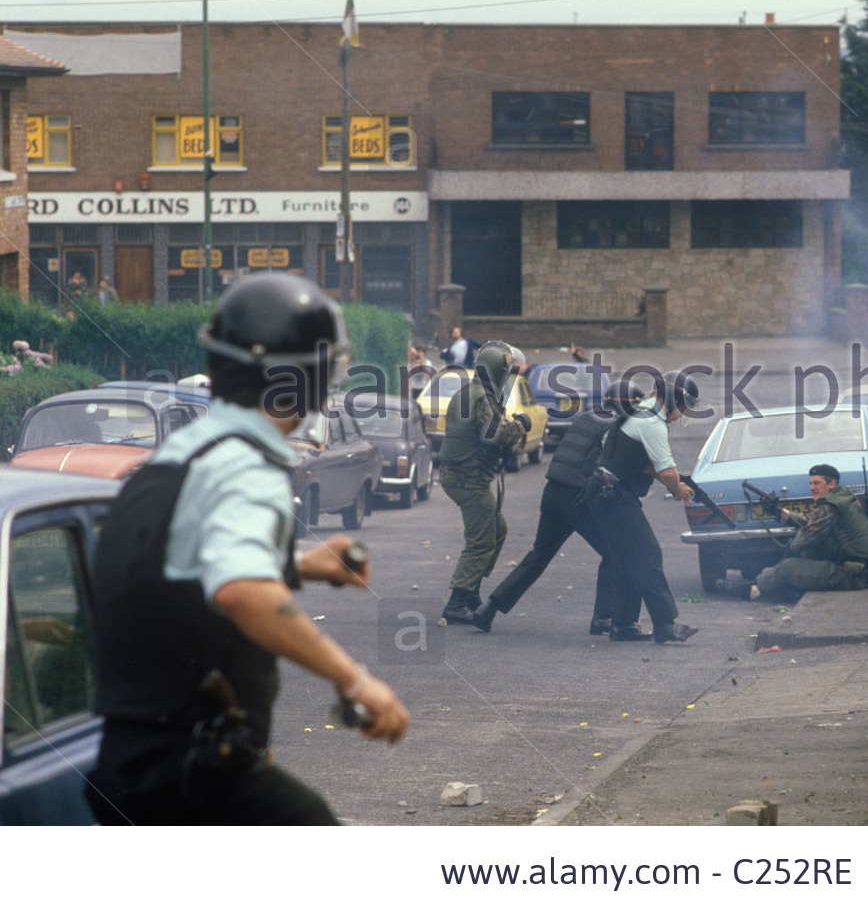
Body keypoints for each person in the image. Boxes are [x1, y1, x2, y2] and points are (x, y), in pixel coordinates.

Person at [85, 273, 409, 825]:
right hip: (191, 769)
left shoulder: (186, 453)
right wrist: (355, 680)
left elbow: (180, 569)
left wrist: (300, 566)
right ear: (309, 379)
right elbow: (241, 591)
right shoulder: (248, 470)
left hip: (126, 764)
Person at [471, 384, 642, 635]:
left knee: (538, 557)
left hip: (553, 492)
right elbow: (606, 468)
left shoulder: (586, 418)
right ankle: (602, 618)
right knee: (615, 552)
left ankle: (488, 609)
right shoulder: (614, 428)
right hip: (579, 499)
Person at [584, 371, 700, 643]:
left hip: (604, 493)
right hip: (614, 496)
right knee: (647, 554)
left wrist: (673, 481)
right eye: (683, 407)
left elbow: (646, 464)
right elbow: (667, 471)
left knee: (627, 560)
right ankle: (666, 625)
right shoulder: (652, 422)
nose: (682, 414)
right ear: (673, 398)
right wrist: (677, 488)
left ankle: (623, 625)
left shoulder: (643, 411)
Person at [438, 340, 532, 625]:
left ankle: (470, 592)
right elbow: (496, 435)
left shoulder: (469, 391)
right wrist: (520, 424)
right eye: (507, 370)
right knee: (480, 541)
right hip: (469, 479)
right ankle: (457, 603)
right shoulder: (483, 397)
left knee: (497, 530)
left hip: (462, 475)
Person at [750, 464, 868, 600]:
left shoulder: (830, 505)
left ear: (831, 483)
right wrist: (780, 512)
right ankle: (767, 580)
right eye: (810, 484)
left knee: (787, 568)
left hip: (852, 575)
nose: (812, 488)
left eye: (817, 483)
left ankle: (754, 588)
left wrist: (788, 551)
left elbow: (804, 539)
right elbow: (812, 522)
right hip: (862, 570)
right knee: (796, 561)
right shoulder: (842, 497)